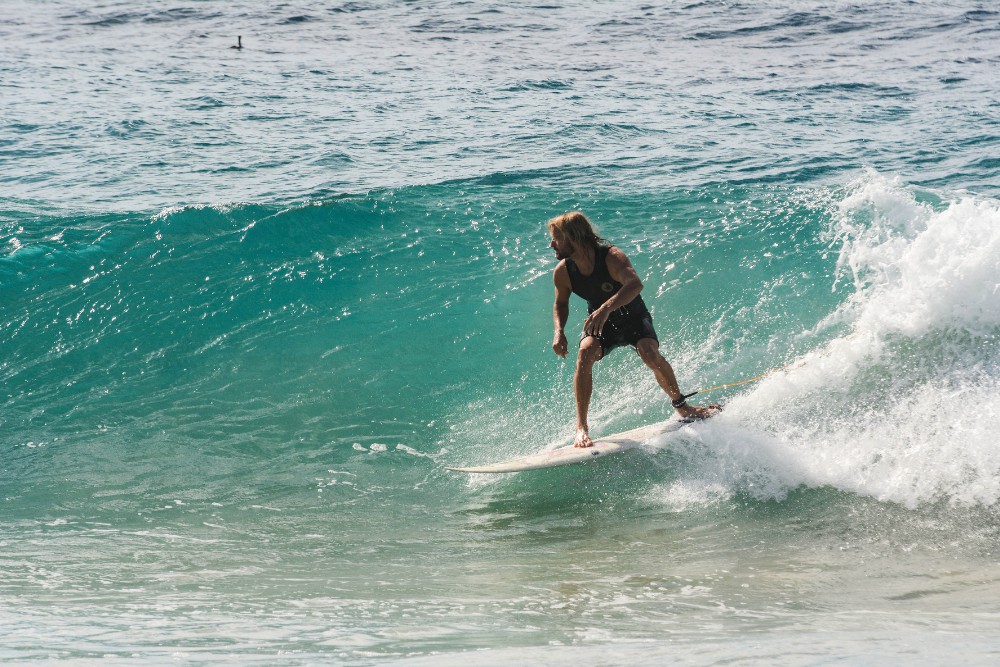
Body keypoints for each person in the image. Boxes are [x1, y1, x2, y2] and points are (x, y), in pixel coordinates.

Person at [548, 211, 719, 448]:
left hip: (633, 317)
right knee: (585, 353)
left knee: (649, 353)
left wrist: (606, 307)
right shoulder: (564, 271)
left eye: (556, 238)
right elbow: (560, 303)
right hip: (601, 323)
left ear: (573, 237)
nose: (552, 244)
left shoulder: (611, 257)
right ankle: (581, 428)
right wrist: (559, 331)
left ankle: (682, 405)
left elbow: (635, 284)